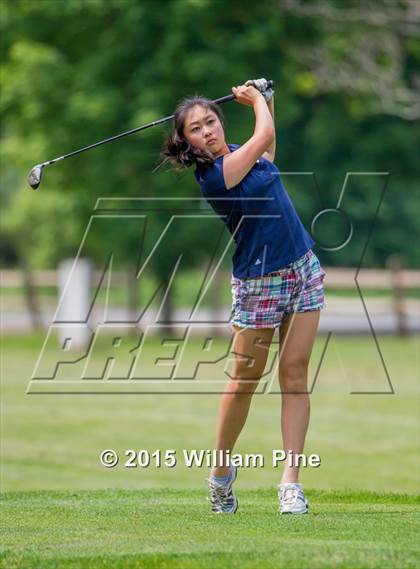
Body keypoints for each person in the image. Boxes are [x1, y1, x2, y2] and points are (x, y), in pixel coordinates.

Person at [162, 79, 326, 515]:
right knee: (244, 380)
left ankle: (290, 483)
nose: (208, 131)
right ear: (187, 141)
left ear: (221, 121)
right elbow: (266, 136)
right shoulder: (215, 175)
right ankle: (219, 473)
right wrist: (257, 102)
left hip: (302, 269)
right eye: (195, 129)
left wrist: (266, 99)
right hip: (258, 282)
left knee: (294, 376)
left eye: (211, 121)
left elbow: (267, 152)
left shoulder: (241, 154)